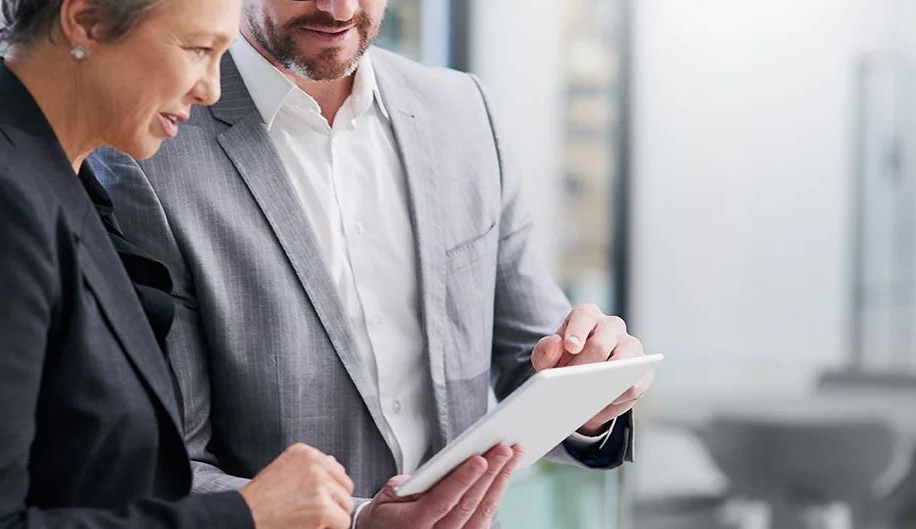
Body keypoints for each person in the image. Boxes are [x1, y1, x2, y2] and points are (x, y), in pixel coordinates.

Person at [89, 0, 655, 527]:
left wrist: (589, 393)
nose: (339, 9)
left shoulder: (465, 112)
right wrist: (356, 522)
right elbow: (170, 465)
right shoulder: (151, 151)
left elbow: (530, 359)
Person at [0, 0, 358, 527]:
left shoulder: (53, 177)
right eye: (197, 49)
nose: (211, 89)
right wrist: (246, 515)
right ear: (86, 20)